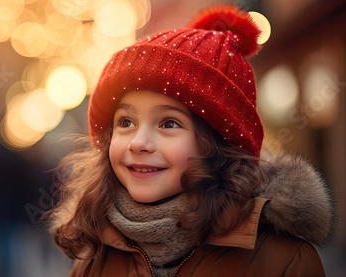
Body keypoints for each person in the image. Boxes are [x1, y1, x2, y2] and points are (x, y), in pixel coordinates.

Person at [47, 5, 334, 277]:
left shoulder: (284, 262)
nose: (138, 142)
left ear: (217, 145)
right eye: (125, 122)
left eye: (169, 123)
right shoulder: (94, 257)